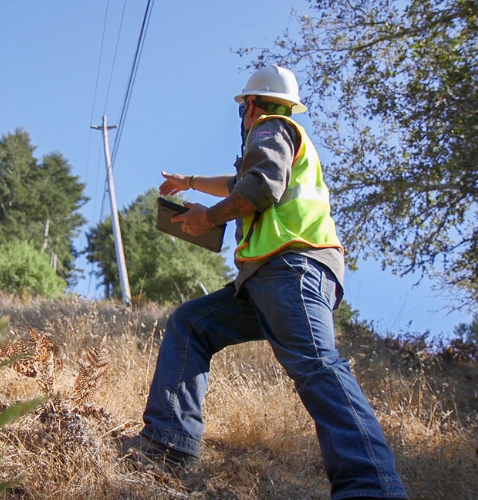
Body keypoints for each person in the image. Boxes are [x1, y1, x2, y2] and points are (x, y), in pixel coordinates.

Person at [122, 65, 408, 500]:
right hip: (267, 277)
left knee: (317, 367)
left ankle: (374, 488)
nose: (243, 115)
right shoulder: (281, 134)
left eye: (243, 108)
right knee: (192, 323)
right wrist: (190, 182)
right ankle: (168, 446)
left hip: (292, 268)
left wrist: (209, 218)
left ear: (250, 105)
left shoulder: (272, 127)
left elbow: (260, 187)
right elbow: (244, 181)